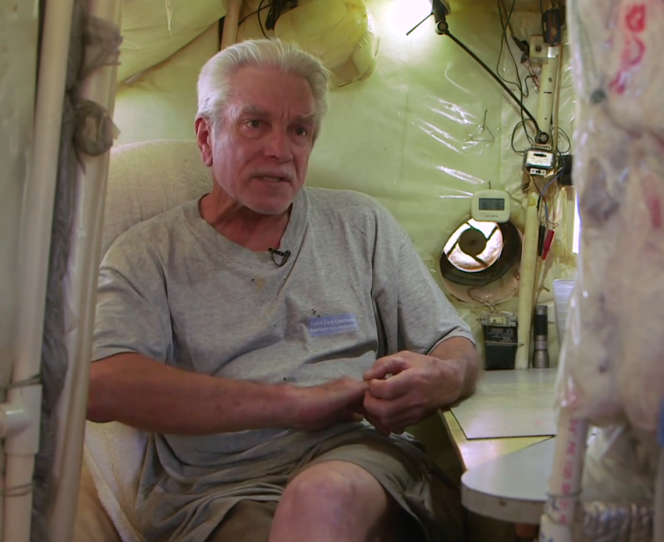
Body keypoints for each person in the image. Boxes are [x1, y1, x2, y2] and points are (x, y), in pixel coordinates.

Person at [87, 38, 480, 542]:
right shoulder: (147, 254)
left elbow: (455, 345)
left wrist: (444, 378)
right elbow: (102, 386)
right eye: (255, 124)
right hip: (219, 494)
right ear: (206, 138)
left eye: (299, 130)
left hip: (359, 464)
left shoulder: (360, 225)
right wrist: (295, 403)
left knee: (321, 498)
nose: (280, 149)